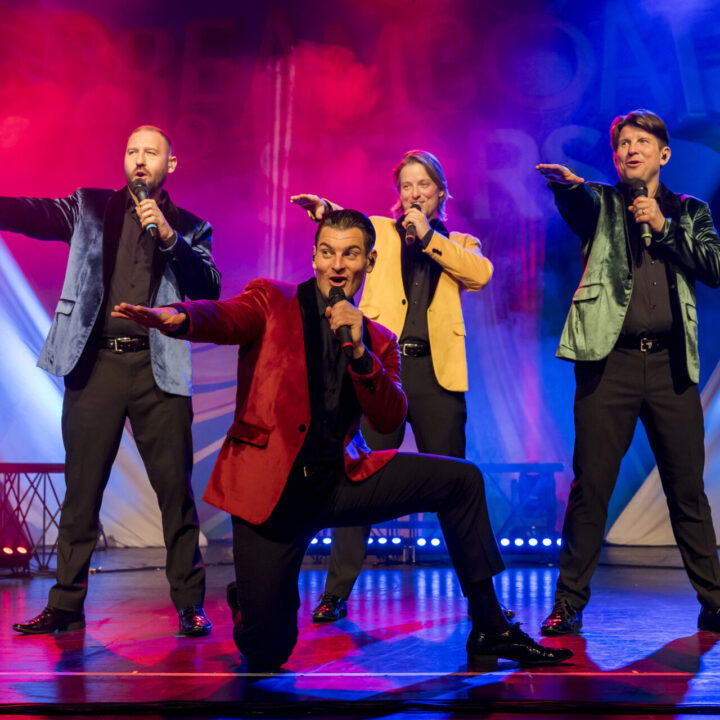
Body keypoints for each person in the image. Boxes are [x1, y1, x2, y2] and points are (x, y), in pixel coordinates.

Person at [112, 209, 572, 671]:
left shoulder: (379, 340)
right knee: (267, 650)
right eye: (327, 252)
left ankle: (491, 627)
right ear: (314, 257)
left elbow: (390, 414)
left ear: (369, 261)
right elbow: (224, 316)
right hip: (274, 492)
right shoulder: (272, 300)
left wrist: (359, 353)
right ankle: (250, 600)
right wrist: (177, 316)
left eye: (350, 254)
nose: (337, 265)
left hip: (340, 480)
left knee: (462, 481)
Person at [8, 125, 221, 637]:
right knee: (81, 492)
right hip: (96, 364)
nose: (139, 160)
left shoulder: (191, 227)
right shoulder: (89, 207)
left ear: (171, 164)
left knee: (175, 493)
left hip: (157, 369)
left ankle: (190, 604)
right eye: (132, 151)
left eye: (151, 152)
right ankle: (65, 605)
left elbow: (209, 286)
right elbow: (33, 213)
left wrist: (168, 237)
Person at [536, 109, 720, 636]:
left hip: (670, 366)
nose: (631, 149)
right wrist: (568, 188)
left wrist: (663, 227)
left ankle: (714, 600)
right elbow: (579, 205)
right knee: (591, 486)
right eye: (623, 144)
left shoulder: (690, 210)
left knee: (686, 490)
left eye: (642, 141)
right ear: (616, 157)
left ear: (664, 154)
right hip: (609, 363)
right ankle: (568, 602)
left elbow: (714, 267)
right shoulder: (603, 202)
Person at [290, 150, 493, 623]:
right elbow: (350, 229)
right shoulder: (381, 231)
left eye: (423, 185)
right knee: (361, 478)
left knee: (456, 484)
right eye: (406, 186)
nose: (414, 194)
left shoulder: (461, 243)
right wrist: (325, 211)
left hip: (437, 377)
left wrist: (429, 237)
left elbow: (479, 275)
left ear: (440, 192)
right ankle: (335, 593)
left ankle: (482, 602)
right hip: (384, 370)